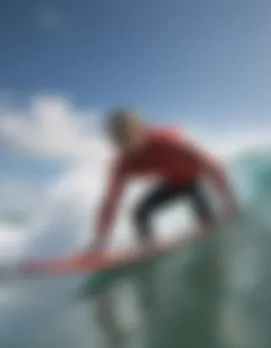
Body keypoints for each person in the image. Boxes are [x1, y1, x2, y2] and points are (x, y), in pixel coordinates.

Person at [89, 109, 237, 255]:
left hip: (193, 181)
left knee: (207, 221)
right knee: (139, 213)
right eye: (118, 137)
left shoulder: (167, 142)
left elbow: (210, 165)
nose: (124, 142)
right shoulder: (123, 164)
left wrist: (229, 200)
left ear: (140, 129)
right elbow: (111, 202)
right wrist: (99, 241)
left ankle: (213, 240)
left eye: (126, 134)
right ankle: (148, 247)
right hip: (171, 183)